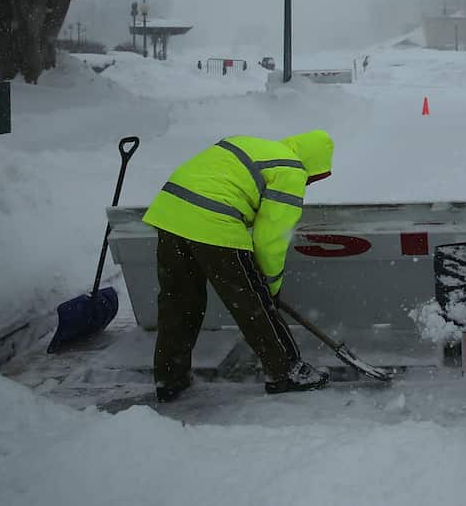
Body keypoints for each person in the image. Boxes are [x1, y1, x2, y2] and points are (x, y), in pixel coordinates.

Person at [141, 129, 335, 402]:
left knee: (179, 303)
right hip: (215, 221)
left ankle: (170, 378)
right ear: (313, 165)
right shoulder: (291, 169)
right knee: (253, 305)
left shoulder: (253, 146)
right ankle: (286, 371)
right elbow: (271, 239)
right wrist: (269, 287)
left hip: (170, 213)